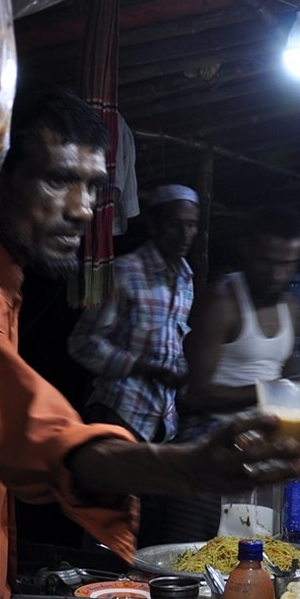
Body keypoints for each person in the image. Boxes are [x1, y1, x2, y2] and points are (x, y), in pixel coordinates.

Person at [0, 80, 300, 599]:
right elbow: (32, 431)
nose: (82, 209)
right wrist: (184, 467)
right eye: (59, 179)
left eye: (93, 186)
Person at [67, 183, 198, 443]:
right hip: (119, 412)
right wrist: (143, 367)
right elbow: (83, 343)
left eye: (191, 225)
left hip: (162, 422)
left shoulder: (186, 280)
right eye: (176, 224)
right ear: (153, 224)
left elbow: (174, 345)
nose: (185, 234)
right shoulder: (125, 272)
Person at [177, 205, 300, 423]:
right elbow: (196, 395)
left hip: (265, 428)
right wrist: (274, 390)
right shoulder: (220, 302)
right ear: (245, 249)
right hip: (212, 429)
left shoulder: (290, 307)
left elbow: (287, 373)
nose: (276, 275)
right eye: (267, 262)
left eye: (287, 264)